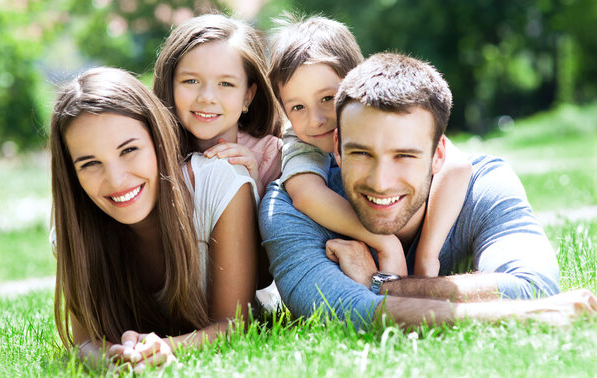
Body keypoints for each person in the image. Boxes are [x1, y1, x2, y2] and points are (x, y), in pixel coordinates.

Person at [260, 52, 597, 328]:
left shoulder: (484, 184)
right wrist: (518, 313)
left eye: (404, 155)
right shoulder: (288, 207)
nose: (381, 181)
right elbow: (343, 311)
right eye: (361, 153)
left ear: (439, 154)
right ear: (337, 147)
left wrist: (383, 285)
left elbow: (534, 285)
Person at [51, 67, 259, 370]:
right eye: (90, 163)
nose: (117, 179)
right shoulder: (72, 224)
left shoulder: (220, 184)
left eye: (129, 150)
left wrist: (165, 347)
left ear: (157, 137)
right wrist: (110, 356)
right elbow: (84, 341)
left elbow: (236, 324)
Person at [267, 14, 472, 277]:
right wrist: (385, 243)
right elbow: (306, 195)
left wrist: (427, 255)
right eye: (298, 107)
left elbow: (456, 166)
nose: (316, 120)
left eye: (327, 98)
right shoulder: (298, 143)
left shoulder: (381, 115)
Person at [154, 13, 283, 199]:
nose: (207, 98)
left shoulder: (270, 156)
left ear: (248, 95)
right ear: (169, 84)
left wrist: (254, 182)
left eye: (225, 84)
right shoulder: (150, 152)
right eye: (191, 81)